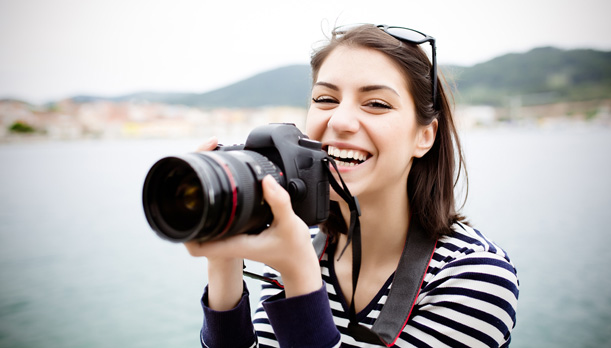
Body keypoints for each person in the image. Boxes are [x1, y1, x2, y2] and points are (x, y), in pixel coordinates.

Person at [185, 24, 519, 347]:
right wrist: (224, 257)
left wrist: (299, 275)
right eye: (325, 99)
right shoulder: (299, 249)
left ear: (424, 136)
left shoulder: (473, 278)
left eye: (376, 104)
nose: (340, 121)